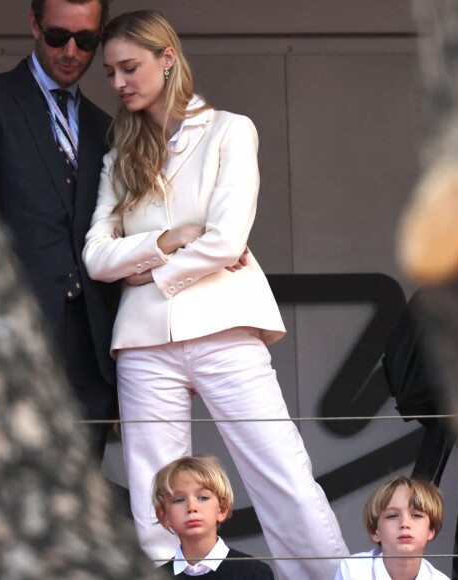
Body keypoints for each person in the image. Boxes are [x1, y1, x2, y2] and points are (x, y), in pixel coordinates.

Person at [82, 9, 348, 579]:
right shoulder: (117, 156)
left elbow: (228, 239)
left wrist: (146, 270)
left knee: (282, 476)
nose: (118, 82)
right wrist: (168, 240)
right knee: (156, 498)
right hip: (144, 345)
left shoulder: (231, 129)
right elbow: (95, 257)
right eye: (109, 73)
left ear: (167, 58)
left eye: (129, 67)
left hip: (226, 326)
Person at [0, 0, 119, 458]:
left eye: (85, 41)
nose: (70, 51)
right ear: (33, 25)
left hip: (91, 350)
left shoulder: (107, 128)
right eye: (57, 36)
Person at [152, 455, 274, 579]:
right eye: (179, 500)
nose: (191, 507)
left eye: (203, 498)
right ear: (164, 516)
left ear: (222, 509)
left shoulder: (253, 572)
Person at [334, 476, 449, 579]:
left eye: (416, 515)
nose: (405, 523)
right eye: (392, 516)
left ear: (431, 530)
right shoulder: (354, 570)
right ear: (375, 532)